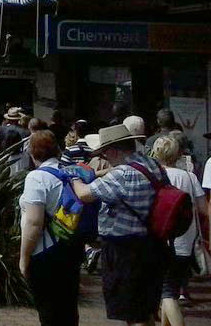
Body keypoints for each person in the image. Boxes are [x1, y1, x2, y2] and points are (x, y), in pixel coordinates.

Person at [70, 124, 170, 326]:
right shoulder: (153, 165)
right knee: (146, 309)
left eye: (105, 154)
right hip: (153, 244)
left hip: (125, 251)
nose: (105, 158)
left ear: (114, 150)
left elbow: (85, 194)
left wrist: (73, 178)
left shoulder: (122, 174)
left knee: (132, 313)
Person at [18, 130, 85, 326]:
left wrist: (24, 258)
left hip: (45, 253)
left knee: (49, 312)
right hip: (71, 247)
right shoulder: (69, 173)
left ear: (32, 153)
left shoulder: (36, 178)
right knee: (68, 310)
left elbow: (33, 222)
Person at [152, 136, 205, 325]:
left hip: (161, 240)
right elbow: (203, 209)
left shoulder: (154, 176)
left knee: (167, 294)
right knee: (171, 289)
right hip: (186, 240)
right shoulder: (189, 177)